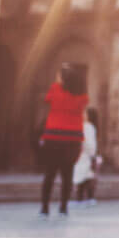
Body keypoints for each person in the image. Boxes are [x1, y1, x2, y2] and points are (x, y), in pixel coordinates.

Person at [36, 63, 89, 216]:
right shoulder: (82, 96)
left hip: (53, 136)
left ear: (64, 78)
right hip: (73, 139)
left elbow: (47, 99)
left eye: (59, 75)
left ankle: (45, 207)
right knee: (68, 175)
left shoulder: (55, 89)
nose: (57, 78)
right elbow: (83, 104)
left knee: (49, 174)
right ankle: (63, 206)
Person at [73, 106, 101, 206]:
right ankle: (84, 198)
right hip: (83, 155)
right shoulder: (85, 126)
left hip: (86, 155)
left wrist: (91, 154)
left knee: (86, 177)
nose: (82, 115)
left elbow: (89, 143)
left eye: (84, 113)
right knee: (83, 176)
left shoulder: (88, 127)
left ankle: (86, 198)